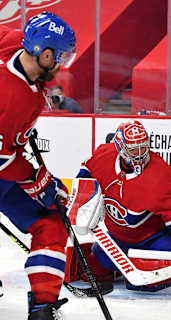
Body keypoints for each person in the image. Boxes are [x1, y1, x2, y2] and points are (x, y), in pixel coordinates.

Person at [70, 120, 171, 293]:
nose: (141, 154)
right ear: (120, 148)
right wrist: (83, 197)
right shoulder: (104, 155)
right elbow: (87, 169)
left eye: (144, 147)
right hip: (116, 239)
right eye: (134, 149)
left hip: (152, 241)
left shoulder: (160, 176)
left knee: (146, 285)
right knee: (91, 269)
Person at [0, 12, 76, 320]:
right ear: (44, 54)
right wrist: (39, 180)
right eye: (60, 57)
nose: (61, 65)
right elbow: (3, 161)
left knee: (50, 221)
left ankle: (43, 307)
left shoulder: (15, 41)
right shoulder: (10, 99)